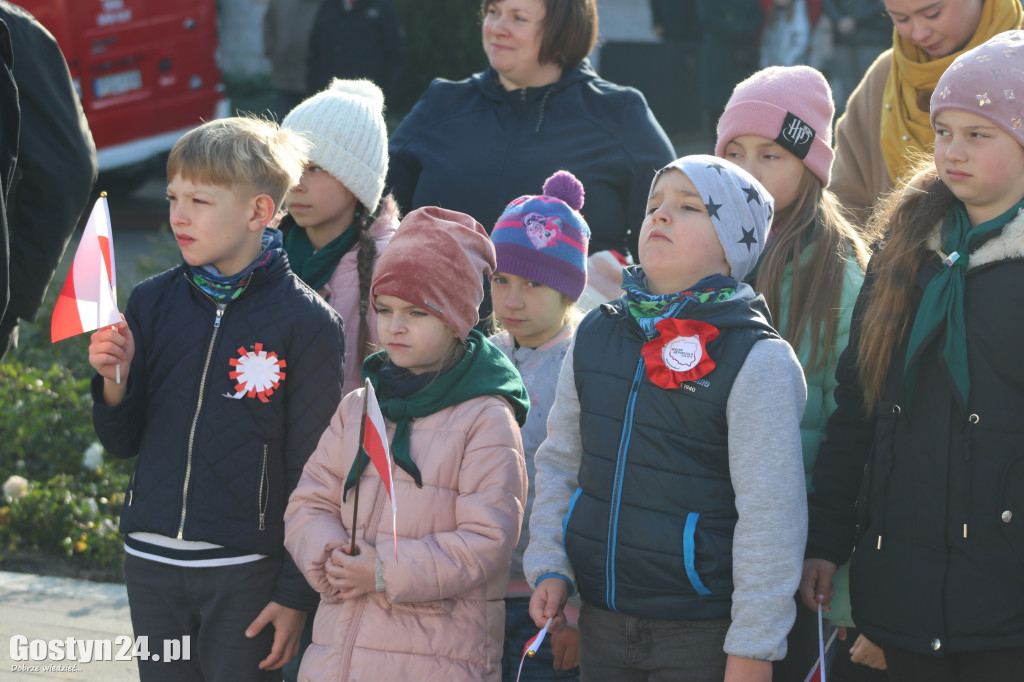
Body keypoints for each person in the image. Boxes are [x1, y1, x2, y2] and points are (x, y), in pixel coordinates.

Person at [525, 154, 808, 682]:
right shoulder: (596, 334)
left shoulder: (757, 359)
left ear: (733, 242)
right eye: (654, 205)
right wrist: (550, 562)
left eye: (688, 206)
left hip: (701, 636)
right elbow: (561, 461)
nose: (659, 216)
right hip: (601, 624)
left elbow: (773, 519)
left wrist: (754, 647)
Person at [87, 116, 346, 681]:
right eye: (173, 196)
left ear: (258, 212)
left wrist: (296, 593)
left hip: (246, 572)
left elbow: (315, 472)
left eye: (200, 200)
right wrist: (115, 379)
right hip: (151, 564)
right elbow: (120, 441)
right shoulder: (151, 302)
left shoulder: (309, 324)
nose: (179, 214)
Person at [802, 30, 1024, 682]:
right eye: (944, 131)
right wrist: (826, 539)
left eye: (978, 134)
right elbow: (858, 409)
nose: (951, 151)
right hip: (902, 587)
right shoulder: (905, 247)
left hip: (1007, 596)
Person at [284, 206, 529, 681]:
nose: (394, 327)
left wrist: (383, 571)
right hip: (337, 655)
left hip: (436, 658)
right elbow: (308, 501)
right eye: (384, 310)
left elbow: (488, 540)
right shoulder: (360, 405)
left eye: (417, 313)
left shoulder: (486, 417)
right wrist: (331, 555)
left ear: (458, 318)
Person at [715, 65, 879, 681]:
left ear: (810, 167)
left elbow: (850, 426)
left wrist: (826, 547)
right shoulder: (703, 258)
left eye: (772, 155)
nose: (748, 172)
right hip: (705, 544)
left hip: (793, 556)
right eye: (734, 153)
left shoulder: (841, 279)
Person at [387, 0, 675, 262]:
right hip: (438, 317)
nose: (498, 28)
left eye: (518, 18)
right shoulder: (441, 104)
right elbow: (374, 217)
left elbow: (671, 234)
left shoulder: (619, 113)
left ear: (564, 29)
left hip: (576, 319)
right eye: (493, 12)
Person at [488, 170, 589, 681]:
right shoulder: (482, 358)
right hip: (480, 590)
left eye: (533, 283)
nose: (512, 301)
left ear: (568, 288)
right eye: (501, 280)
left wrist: (573, 610)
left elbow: (581, 487)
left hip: (549, 599)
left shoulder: (584, 365)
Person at [830, 0, 1024, 224]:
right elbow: (844, 202)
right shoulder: (884, 76)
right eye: (901, 19)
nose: (919, 33)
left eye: (933, 14)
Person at [281, 78, 399, 395]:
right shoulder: (261, 248)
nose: (295, 182)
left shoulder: (390, 267)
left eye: (315, 168)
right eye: (289, 164)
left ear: (357, 180)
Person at [0, 0, 97, 359]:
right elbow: (67, 167)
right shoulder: (16, 28)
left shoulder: (14, 32)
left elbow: (65, 169)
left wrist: (15, 292)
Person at [306, 0, 405, 107]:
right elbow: (315, 50)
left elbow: (394, 54)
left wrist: (388, 98)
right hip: (328, 96)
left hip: (364, 99)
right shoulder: (329, 5)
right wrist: (313, 91)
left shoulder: (382, 7)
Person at [821, 0, 889, 115]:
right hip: (842, 39)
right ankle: (853, 127)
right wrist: (838, 20)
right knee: (848, 90)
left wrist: (855, 21)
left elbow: (882, 4)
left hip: (872, 37)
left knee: (873, 89)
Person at [262, 0, 324, 119]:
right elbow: (268, 23)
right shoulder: (279, 3)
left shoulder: (323, 4)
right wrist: (272, 50)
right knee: (284, 123)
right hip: (285, 75)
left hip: (315, 78)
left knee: (311, 124)